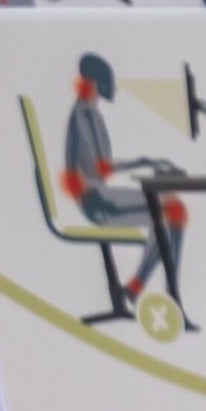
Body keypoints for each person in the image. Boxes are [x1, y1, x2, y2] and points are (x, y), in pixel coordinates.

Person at [60, 52, 187, 308]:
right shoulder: (85, 115)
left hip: (98, 196)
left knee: (171, 214)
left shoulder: (89, 112)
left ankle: (135, 290)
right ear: (97, 82)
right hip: (96, 203)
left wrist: (145, 161)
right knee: (174, 212)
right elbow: (99, 168)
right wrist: (143, 161)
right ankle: (166, 295)